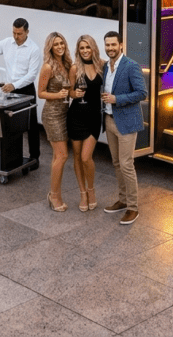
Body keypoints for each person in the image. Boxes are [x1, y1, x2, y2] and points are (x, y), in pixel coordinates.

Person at [0, 18, 42, 168]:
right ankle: (12, 156)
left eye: (19, 33)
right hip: (9, 88)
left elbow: (31, 75)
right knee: (10, 123)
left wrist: (14, 85)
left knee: (31, 125)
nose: (16, 36)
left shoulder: (34, 49)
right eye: (14, 32)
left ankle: (35, 158)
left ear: (27, 32)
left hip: (25, 89)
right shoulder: (7, 43)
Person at [100, 31, 147, 226]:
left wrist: (117, 99)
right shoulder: (106, 66)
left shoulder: (131, 66)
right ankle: (123, 199)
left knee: (126, 164)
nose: (110, 48)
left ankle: (133, 208)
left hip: (126, 122)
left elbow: (142, 93)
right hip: (110, 120)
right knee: (117, 163)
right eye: (107, 45)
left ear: (121, 45)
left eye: (113, 45)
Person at [67, 34, 104, 212]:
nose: (85, 51)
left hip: (94, 117)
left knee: (85, 157)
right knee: (76, 157)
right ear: (78, 50)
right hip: (76, 116)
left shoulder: (101, 65)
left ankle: (91, 190)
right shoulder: (75, 68)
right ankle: (82, 193)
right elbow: (70, 92)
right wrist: (75, 94)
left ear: (93, 48)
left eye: (87, 47)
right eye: (82, 48)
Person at [37, 32, 73, 211]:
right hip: (52, 115)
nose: (59, 47)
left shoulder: (66, 64)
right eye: (56, 44)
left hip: (65, 112)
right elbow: (41, 92)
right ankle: (54, 196)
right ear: (50, 47)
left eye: (62, 43)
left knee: (57, 156)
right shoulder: (48, 67)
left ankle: (55, 193)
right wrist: (57, 95)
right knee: (63, 155)